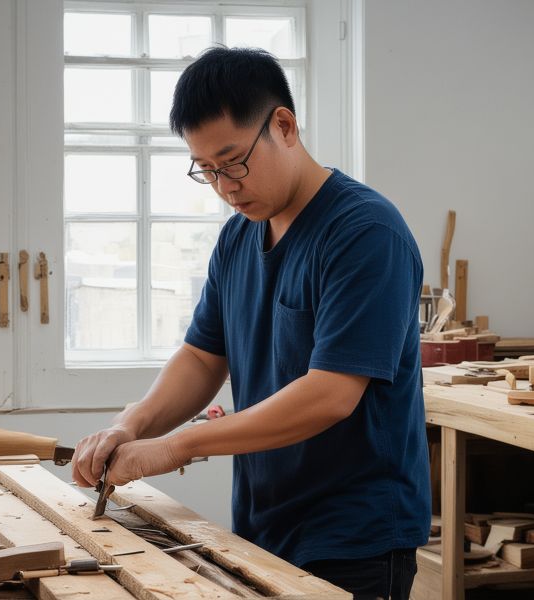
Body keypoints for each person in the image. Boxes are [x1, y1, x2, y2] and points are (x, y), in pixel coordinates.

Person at [72, 46, 430, 600]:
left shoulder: (365, 233)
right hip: (264, 526)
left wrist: (178, 446)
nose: (225, 187)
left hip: (354, 539)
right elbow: (201, 357)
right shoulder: (238, 236)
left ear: (283, 126)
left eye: (234, 161)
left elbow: (331, 393)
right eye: (207, 171)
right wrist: (133, 424)